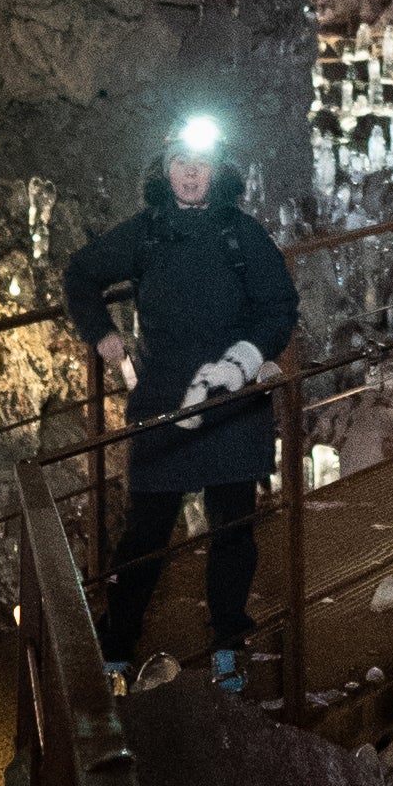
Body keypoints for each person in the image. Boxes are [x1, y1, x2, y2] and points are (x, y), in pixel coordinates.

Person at [66, 112, 299, 693]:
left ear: (216, 172)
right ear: (164, 169)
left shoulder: (239, 234)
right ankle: (116, 646)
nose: (189, 175)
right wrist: (100, 330)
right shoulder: (147, 232)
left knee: (233, 531)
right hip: (167, 399)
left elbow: (279, 306)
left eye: (199, 165)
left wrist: (245, 358)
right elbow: (81, 272)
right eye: (179, 163)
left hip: (230, 399)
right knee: (145, 530)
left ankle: (227, 646)